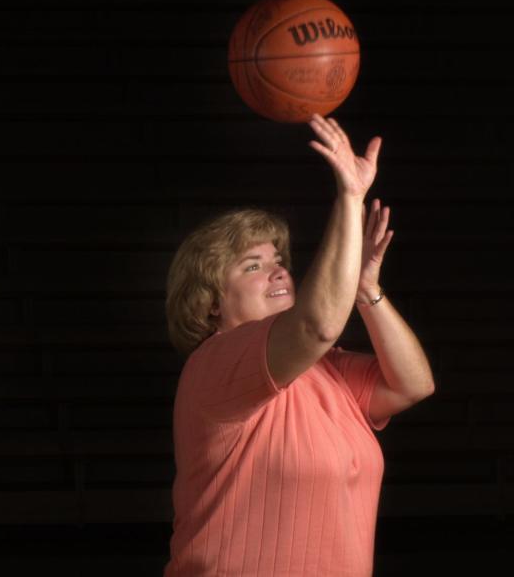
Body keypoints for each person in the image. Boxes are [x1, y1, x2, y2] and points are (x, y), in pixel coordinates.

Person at [162, 114, 436, 576]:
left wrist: (366, 289)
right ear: (210, 303)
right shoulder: (216, 362)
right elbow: (316, 325)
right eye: (252, 265)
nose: (278, 270)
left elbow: (414, 384)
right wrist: (349, 199)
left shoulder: (327, 369)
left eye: (279, 260)